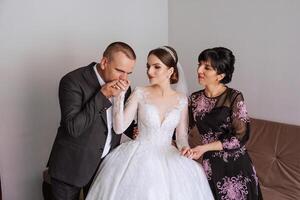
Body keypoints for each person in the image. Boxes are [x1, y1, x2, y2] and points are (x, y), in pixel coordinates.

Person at [85, 46, 214, 200]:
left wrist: (185, 148)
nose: (149, 71)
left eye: (156, 67)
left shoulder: (181, 99)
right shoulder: (139, 92)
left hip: (168, 155)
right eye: (148, 66)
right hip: (136, 156)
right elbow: (119, 128)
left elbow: (181, 137)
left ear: (170, 71)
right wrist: (119, 97)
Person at [47, 42, 137, 200]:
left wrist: (136, 131)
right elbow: (73, 128)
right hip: (69, 170)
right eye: (120, 71)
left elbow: (119, 122)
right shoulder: (72, 81)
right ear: (104, 62)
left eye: (128, 73)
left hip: (103, 169)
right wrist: (102, 96)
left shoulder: (124, 86)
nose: (124, 78)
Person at [188, 47, 263, 199]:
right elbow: (183, 128)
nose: (199, 70)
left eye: (207, 67)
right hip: (210, 166)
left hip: (236, 166)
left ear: (220, 75)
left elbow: (240, 138)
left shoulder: (234, 97)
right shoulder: (194, 99)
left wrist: (204, 148)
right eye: (199, 64)